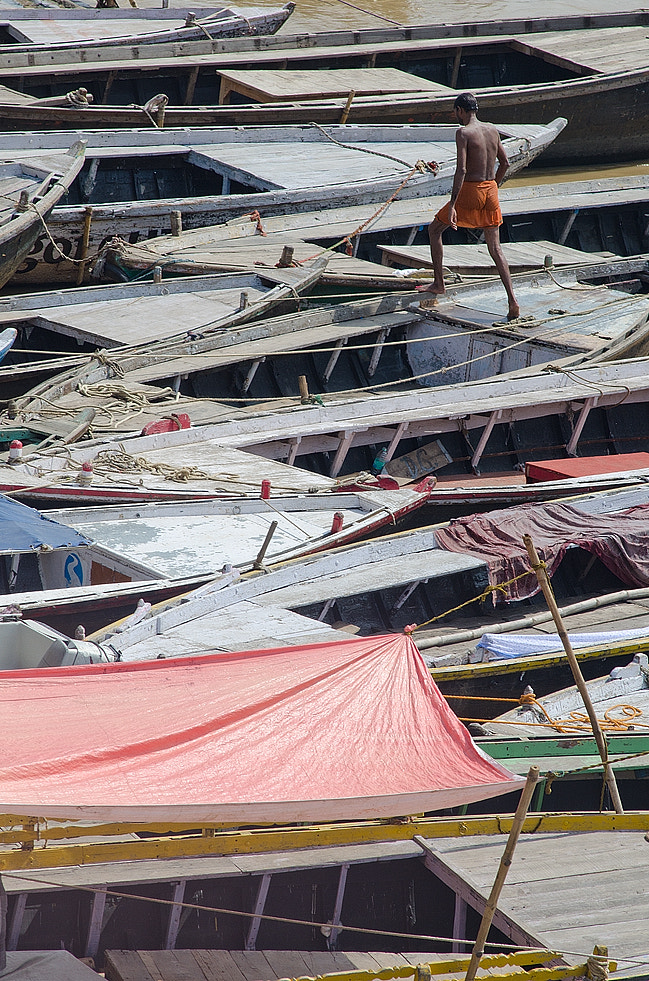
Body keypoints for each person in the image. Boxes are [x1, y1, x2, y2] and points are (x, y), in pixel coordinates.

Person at [419, 92, 520, 321]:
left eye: (456, 112)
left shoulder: (463, 132)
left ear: (461, 111)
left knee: (435, 230)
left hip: (472, 191)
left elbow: (462, 170)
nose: (456, 116)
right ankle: (513, 302)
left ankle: (438, 283)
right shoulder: (493, 130)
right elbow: (505, 163)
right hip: (490, 190)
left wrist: (453, 204)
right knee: (496, 249)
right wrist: (494, 185)